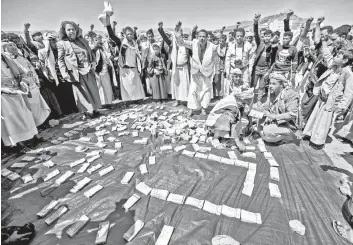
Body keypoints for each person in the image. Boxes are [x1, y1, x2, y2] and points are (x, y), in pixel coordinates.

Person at [303, 47, 353, 148]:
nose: (335, 57)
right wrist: (323, 44)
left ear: (345, 60)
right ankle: (309, 134)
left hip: (330, 101)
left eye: (338, 56)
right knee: (315, 117)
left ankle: (317, 142)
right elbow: (327, 56)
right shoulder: (334, 66)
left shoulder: (348, 73)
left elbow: (349, 92)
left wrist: (342, 106)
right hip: (322, 97)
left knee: (323, 122)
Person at [174, 21, 219, 116]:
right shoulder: (193, 44)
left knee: (206, 91)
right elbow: (181, 42)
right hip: (195, 72)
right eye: (200, 36)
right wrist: (178, 33)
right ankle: (191, 109)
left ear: (207, 37)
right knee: (193, 90)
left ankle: (203, 108)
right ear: (197, 37)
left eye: (204, 36)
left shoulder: (213, 47)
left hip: (207, 72)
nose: (202, 38)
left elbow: (217, 61)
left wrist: (217, 74)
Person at [57, 21, 102, 117]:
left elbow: (90, 53)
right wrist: (64, 73)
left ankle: (95, 109)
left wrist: (93, 62)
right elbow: (60, 60)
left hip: (88, 70)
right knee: (82, 93)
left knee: (92, 90)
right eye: (68, 29)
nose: (71, 31)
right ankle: (87, 112)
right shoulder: (62, 43)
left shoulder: (83, 41)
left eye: (73, 29)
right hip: (76, 72)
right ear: (64, 31)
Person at [1, 48, 41, 152]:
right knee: (12, 121)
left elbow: (22, 73)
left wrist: (23, 82)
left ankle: (35, 138)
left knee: (26, 116)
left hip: (19, 91)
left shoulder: (7, 57)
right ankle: (21, 145)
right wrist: (7, 89)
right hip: (4, 97)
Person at [206, 68, 254, 151]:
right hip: (216, 118)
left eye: (239, 76)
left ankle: (228, 135)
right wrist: (238, 142)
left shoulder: (238, 99)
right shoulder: (233, 105)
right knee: (226, 119)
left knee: (243, 121)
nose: (238, 78)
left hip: (231, 111)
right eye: (244, 102)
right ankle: (215, 138)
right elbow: (233, 122)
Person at [4, 41, 51, 127]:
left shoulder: (22, 57)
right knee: (30, 108)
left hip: (32, 85)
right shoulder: (8, 61)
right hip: (23, 88)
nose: (13, 46)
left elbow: (30, 70)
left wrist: (35, 80)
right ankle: (36, 126)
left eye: (14, 44)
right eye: (10, 45)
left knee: (38, 107)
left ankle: (42, 124)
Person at [38, 32, 77, 115]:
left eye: (55, 41)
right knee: (60, 94)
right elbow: (42, 65)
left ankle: (75, 108)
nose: (55, 43)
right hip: (53, 76)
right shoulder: (42, 52)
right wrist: (47, 75)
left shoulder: (60, 49)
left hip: (64, 74)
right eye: (52, 42)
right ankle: (66, 111)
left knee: (69, 91)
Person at [254, 73, 299, 144]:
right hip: (274, 121)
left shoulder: (290, 94)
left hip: (286, 123)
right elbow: (267, 106)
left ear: (281, 85)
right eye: (270, 83)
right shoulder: (272, 91)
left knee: (266, 131)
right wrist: (263, 110)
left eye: (274, 84)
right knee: (257, 114)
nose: (270, 86)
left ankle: (287, 134)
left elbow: (293, 114)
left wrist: (274, 117)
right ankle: (273, 133)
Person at [158, 21, 190, 107]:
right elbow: (165, 38)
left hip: (185, 68)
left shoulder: (186, 44)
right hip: (176, 68)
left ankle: (186, 100)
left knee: (185, 85)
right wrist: (161, 29)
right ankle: (178, 100)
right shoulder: (172, 44)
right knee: (176, 85)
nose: (179, 34)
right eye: (177, 32)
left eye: (180, 32)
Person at [251, 14, 275, 103]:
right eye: (266, 36)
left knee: (261, 86)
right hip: (257, 68)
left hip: (265, 69)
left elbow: (273, 60)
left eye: (269, 36)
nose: (267, 38)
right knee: (253, 85)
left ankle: (258, 101)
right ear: (263, 37)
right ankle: (250, 100)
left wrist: (269, 71)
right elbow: (256, 33)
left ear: (271, 37)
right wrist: (255, 22)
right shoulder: (259, 43)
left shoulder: (273, 47)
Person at [31, 54, 62, 119]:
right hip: (41, 88)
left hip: (47, 86)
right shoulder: (32, 69)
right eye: (33, 60)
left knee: (53, 100)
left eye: (36, 59)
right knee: (46, 102)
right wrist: (37, 68)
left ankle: (58, 114)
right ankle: (50, 117)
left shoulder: (43, 67)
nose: (36, 61)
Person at [224, 27, 252, 97]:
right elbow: (227, 59)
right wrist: (227, 71)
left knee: (245, 86)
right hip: (233, 69)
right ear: (235, 37)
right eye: (237, 36)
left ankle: (244, 103)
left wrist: (250, 70)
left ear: (244, 36)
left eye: (241, 36)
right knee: (231, 87)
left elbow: (251, 58)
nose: (239, 38)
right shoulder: (231, 46)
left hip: (244, 69)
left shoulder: (248, 45)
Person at [93, 35, 115, 106]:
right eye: (96, 40)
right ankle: (102, 103)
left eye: (99, 40)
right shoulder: (93, 50)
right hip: (97, 72)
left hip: (104, 70)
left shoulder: (103, 48)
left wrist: (109, 59)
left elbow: (106, 57)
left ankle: (108, 102)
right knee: (100, 88)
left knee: (107, 86)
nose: (98, 41)